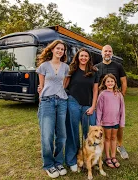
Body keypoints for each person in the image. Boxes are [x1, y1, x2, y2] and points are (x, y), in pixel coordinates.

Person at [36, 40, 70, 178]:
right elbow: (41, 86)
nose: (60, 51)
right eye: (58, 48)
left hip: (62, 101)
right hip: (47, 101)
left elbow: (65, 84)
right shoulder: (44, 66)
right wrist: (41, 98)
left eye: (62, 49)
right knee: (47, 135)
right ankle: (49, 165)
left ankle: (58, 162)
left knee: (62, 135)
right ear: (52, 50)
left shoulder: (66, 67)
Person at [64, 48, 99, 172]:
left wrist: (93, 106)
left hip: (88, 106)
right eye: (81, 56)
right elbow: (64, 85)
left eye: (86, 56)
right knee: (73, 133)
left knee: (88, 134)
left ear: (89, 58)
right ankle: (72, 160)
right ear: (77, 57)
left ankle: (87, 159)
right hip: (73, 102)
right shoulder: (72, 70)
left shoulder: (94, 72)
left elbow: (95, 90)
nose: (83, 58)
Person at [95, 45, 129, 159]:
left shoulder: (118, 66)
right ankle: (101, 148)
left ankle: (120, 145)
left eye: (110, 51)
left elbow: (123, 82)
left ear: (112, 53)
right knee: (101, 124)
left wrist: (121, 96)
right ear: (101, 53)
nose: (107, 53)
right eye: (105, 51)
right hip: (101, 100)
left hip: (115, 100)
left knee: (118, 125)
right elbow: (93, 85)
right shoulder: (96, 67)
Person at [96, 73, 125, 168]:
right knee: (107, 138)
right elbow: (99, 109)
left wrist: (121, 121)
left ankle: (113, 156)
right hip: (105, 122)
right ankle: (107, 157)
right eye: (108, 81)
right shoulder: (102, 94)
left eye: (112, 81)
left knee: (114, 138)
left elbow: (122, 109)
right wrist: (98, 123)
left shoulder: (119, 94)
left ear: (115, 82)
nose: (110, 83)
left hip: (116, 121)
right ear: (104, 83)